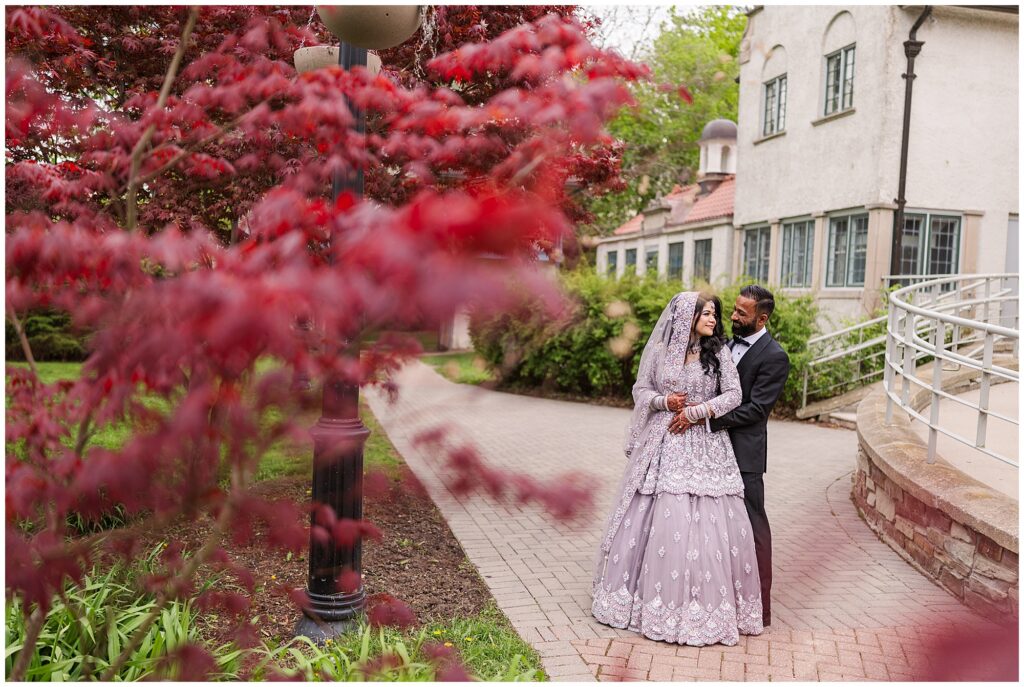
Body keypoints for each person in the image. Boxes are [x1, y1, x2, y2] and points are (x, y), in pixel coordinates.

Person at [591, 291, 763, 646]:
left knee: (706, 522)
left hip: (705, 445)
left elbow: (733, 396)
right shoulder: (659, 353)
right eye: (707, 313)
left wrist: (696, 413)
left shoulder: (719, 354)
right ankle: (648, 604)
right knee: (660, 515)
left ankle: (703, 607)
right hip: (662, 442)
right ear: (688, 316)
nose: (713, 319)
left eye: (715, 314)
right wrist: (664, 401)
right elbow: (641, 390)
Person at [670, 284, 790, 628]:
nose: (733, 317)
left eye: (742, 313)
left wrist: (704, 416)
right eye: (734, 310)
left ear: (761, 318)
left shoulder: (774, 357)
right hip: (708, 452)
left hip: (744, 454)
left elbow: (756, 409)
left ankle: (761, 608)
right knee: (713, 529)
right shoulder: (721, 344)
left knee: (753, 528)